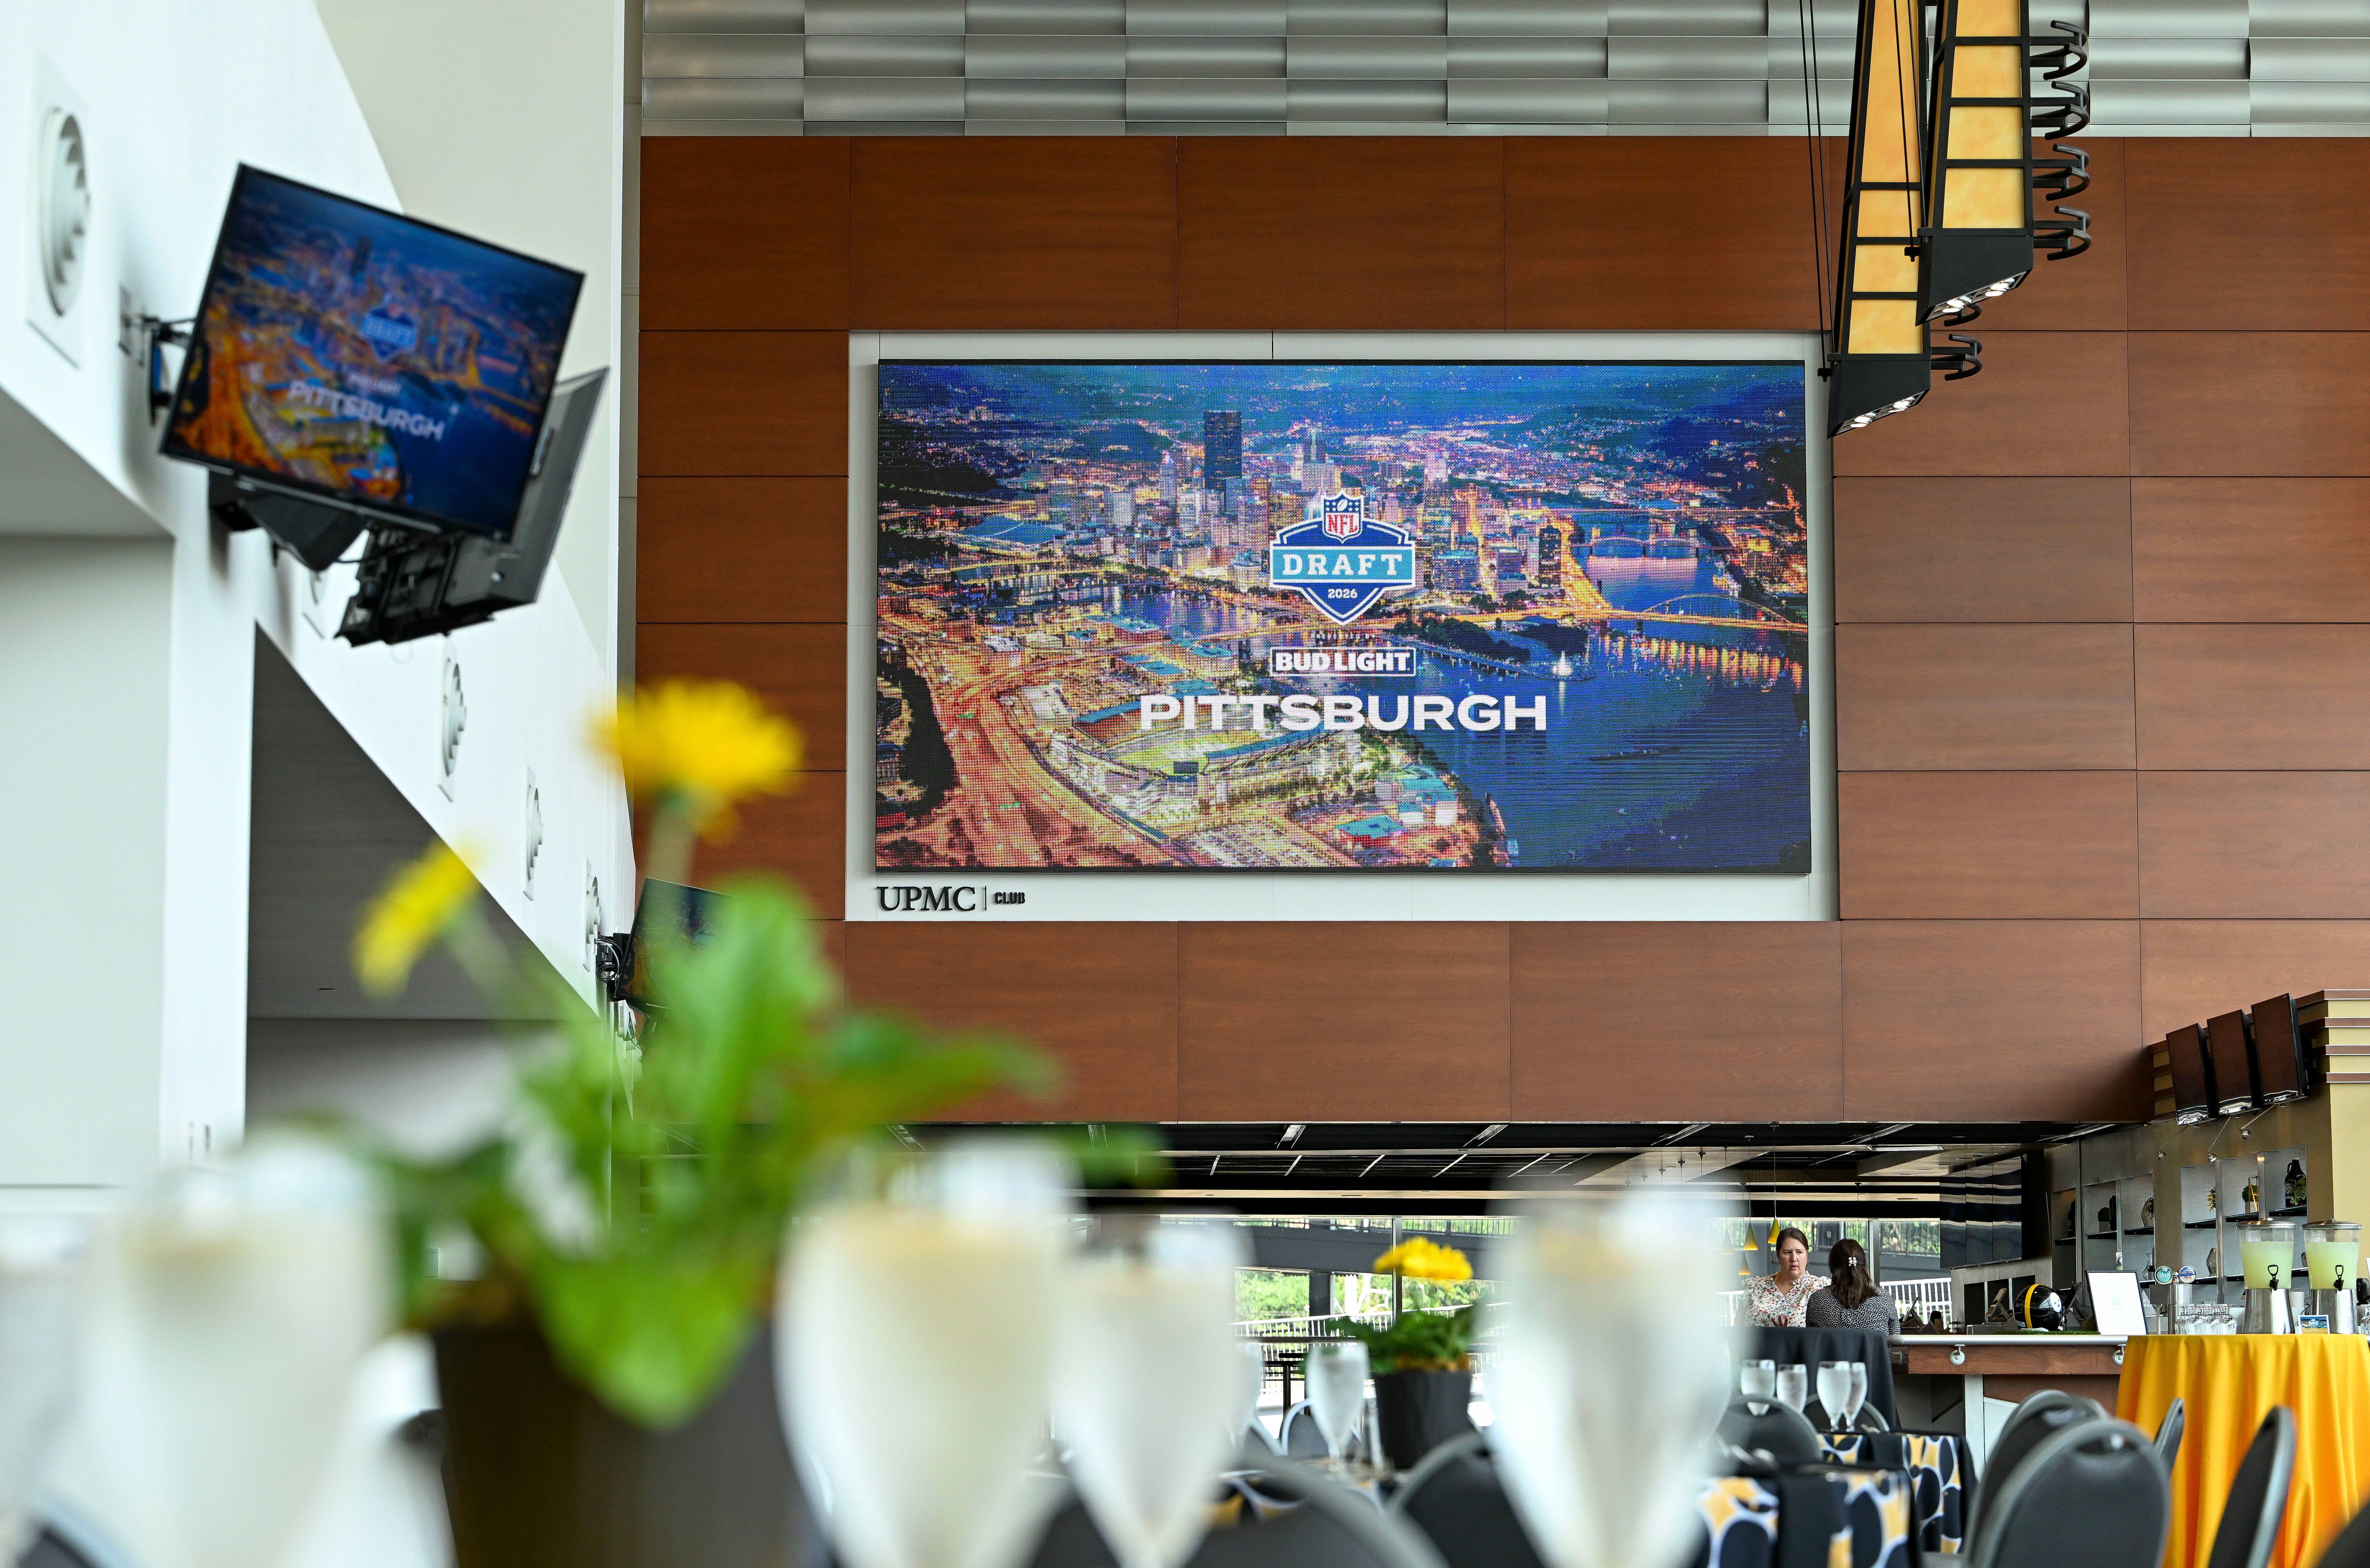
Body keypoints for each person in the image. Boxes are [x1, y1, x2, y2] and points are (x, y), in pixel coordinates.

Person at [1806, 1239, 1900, 1332]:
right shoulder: (1884, 1298)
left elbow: (1812, 1340)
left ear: (1832, 1266)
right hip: (1873, 1348)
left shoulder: (1817, 1300)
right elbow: (1895, 1338)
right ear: (1864, 1264)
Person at [1746, 1228, 1828, 1326]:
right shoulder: (1757, 1286)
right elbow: (1736, 1330)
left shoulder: (1820, 1287)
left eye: (1799, 1252)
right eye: (1788, 1252)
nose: (1794, 1259)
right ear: (1778, 1255)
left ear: (1807, 1255)